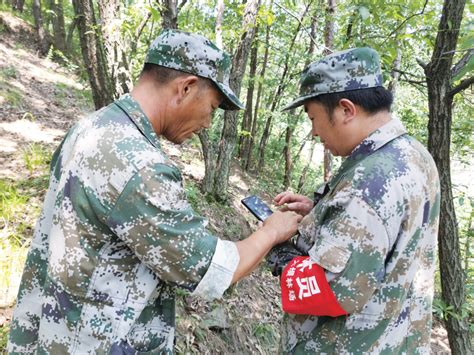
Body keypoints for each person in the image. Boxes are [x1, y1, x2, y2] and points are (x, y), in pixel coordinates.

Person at [7, 29, 302, 354]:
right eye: (213, 108)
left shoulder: (91, 127)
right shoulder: (139, 165)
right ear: (186, 88)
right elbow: (209, 270)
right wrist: (272, 232)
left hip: (58, 330)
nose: (208, 123)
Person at [272, 47, 440, 353]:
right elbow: (384, 234)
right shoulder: (414, 155)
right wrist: (323, 213)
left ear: (346, 110)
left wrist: (278, 248)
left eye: (313, 118)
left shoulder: (369, 181)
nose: (312, 132)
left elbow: (332, 290)